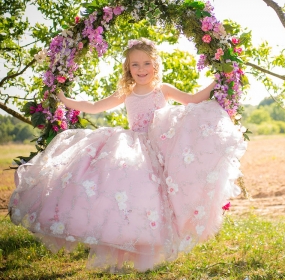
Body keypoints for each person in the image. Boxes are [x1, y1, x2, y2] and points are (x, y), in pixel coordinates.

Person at [8, 38, 247, 273]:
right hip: (132, 147)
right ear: (127, 68)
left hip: (156, 148)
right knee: (123, 195)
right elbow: (94, 106)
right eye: (135, 64)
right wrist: (65, 100)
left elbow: (192, 100)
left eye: (146, 63)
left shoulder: (162, 90)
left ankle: (143, 242)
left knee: (150, 198)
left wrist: (216, 83)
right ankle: (119, 249)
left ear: (155, 65)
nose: (141, 69)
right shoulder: (127, 92)